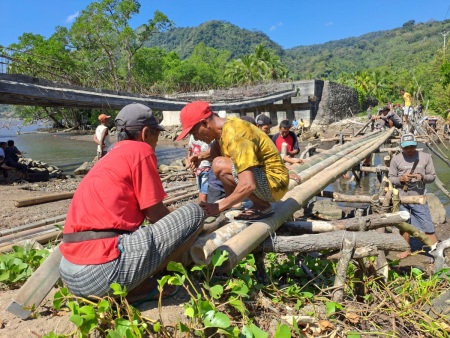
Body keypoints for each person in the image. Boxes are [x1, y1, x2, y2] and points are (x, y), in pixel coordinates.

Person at [59, 103, 204, 304]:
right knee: (194, 213)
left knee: (174, 220)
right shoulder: (141, 150)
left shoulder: (110, 154)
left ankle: (133, 284)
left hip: (70, 272)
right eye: (156, 135)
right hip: (99, 275)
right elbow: (155, 214)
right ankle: (142, 286)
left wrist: (172, 217)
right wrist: (190, 225)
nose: (156, 141)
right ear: (146, 133)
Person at [176, 101, 289, 221]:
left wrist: (218, 206)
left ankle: (261, 205)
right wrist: (199, 157)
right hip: (266, 180)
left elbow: (248, 184)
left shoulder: (236, 133)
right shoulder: (223, 130)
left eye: (194, 133)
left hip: (275, 183)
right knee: (217, 160)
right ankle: (240, 201)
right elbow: (215, 152)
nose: (195, 138)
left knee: (219, 164)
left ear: (204, 123)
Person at [388, 133, 438, 259]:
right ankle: (406, 249)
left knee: (428, 226)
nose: (409, 150)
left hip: (419, 198)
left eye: (411, 146)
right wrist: (401, 179)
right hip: (401, 198)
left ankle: (436, 252)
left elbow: (432, 177)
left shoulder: (426, 157)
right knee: (404, 226)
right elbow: (391, 178)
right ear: (401, 147)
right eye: (406, 147)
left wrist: (421, 177)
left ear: (416, 145)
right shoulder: (396, 159)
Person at [187, 135, 212, 203]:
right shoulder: (206, 137)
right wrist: (189, 162)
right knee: (203, 190)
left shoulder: (193, 136)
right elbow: (189, 149)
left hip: (203, 167)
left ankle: (202, 207)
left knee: (202, 190)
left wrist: (189, 160)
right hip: (201, 167)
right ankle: (203, 207)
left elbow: (189, 149)